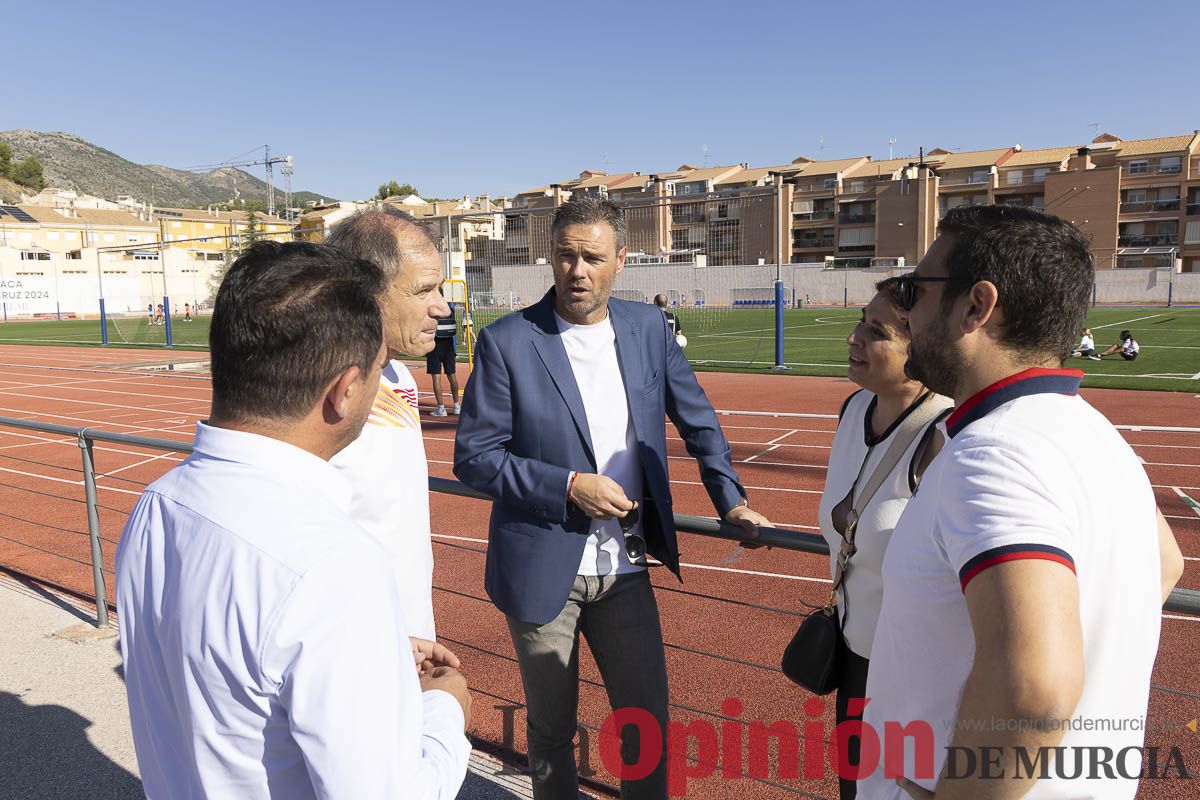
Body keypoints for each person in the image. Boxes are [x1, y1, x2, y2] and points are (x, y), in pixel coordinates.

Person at [116, 241, 471, 799]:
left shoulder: (155, 505)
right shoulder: (331, 562)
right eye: (377, 372)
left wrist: (358, 653)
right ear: (344, 391)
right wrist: (446, 709)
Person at [861, 206, 1183, 800]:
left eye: (915, 289)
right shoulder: (1095, 433)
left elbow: (1034, 692)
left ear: (976, 306)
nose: (905, 308)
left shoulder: (993, 454)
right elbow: (1166, 566)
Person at [453, 195, 770, 799]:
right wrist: (568, 486)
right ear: (551, 256)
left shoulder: (648, 329)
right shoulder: (507, 342)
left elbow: (698, 419)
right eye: (566, 255)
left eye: (593, 257)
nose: (578, 270)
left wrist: (729, 498)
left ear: (621, 260)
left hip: (625, 565)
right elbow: (474, 458)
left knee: (646, 726)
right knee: (549, 732)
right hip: (543, 565)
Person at [816, 279, 952, 800]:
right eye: (860, 322)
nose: (854, 338)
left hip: (912, 676)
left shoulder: (948, 433)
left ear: (922, 349)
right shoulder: (853, 409)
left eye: (877, 332)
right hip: (854, 655)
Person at [324, 208, 451, 641]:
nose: (443, 306)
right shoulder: (315, 388)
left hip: (409, 625)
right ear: (366, 293)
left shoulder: (397, 372)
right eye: (424, 290)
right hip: (352, 639)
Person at [428, 287, 461, 417]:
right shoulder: (450, 310)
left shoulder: (431, 310)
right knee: (452, 375)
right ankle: (456, 405)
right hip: (449, 346)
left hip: (435, 346)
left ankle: (441, 408)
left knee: (436, 376)